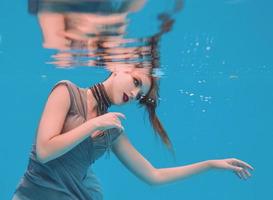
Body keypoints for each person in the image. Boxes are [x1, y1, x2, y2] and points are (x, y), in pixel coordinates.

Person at [12, 66, 254, 200]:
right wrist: (94, 124)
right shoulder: (66, 91)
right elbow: (44, 152)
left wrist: (210, 164)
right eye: (136, 82)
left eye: (139, 95)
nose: (134, 93)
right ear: (118, 68)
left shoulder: (112, 129)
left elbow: (154, 176)